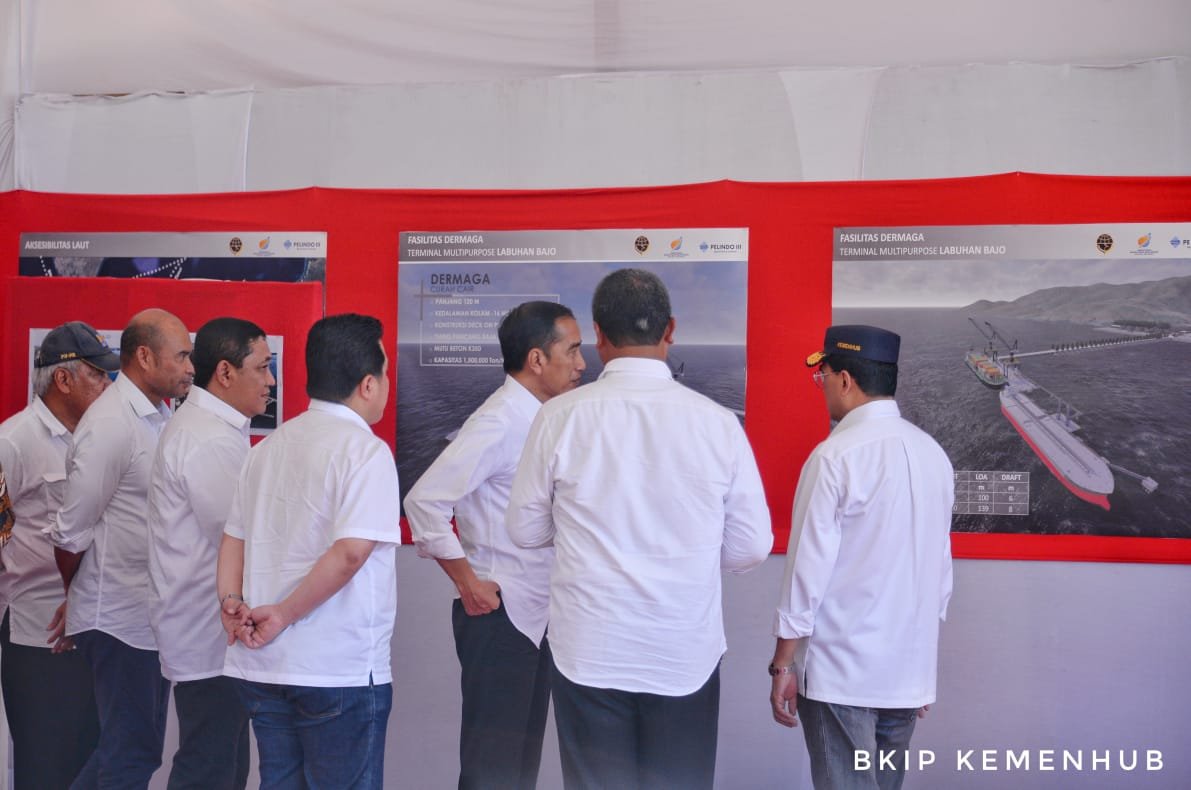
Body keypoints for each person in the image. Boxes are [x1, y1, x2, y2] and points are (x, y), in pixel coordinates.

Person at [507, 268, 773, 790]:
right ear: (670, 329)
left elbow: (524, 530)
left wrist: (579, 535)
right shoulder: (717, 422)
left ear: (598, 335)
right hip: (682, 653)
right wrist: (692, 553)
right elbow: (751, 546)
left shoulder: (559, 417)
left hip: (589, 651)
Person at [404, 300, 585, 790]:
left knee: (518, 768)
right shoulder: (499, 421)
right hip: (500, 616)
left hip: (537, 615)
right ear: (537, 359)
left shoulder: (543, 419)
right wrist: (468, 582)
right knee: (492, 770)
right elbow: (424, 501)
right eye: (572, 350)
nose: (581, 363)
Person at [217, 313, 400, 789]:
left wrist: (230, 603)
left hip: (263, 665)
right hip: (335, 668)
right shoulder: (365, 451)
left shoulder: (267, 448)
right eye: (385, 372)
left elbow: (233, 536)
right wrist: (284, 614)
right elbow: (351, 553)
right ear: (367, 384)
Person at [769, 325, 954, 790]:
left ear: (846, 380)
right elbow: (939, 573)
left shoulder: (835, 456)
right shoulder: (934, 455)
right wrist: (919, 673)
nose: (822, 386)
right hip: (906, 675)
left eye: (823, 376)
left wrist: (783, 665)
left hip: (842, 675)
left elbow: (806, 574)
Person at [50, 308, 194, 789]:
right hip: (116, 618)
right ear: (145, 357)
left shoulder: (159, 415)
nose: (190, 368)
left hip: (147, 615)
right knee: (130, 756)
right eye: (181, 356)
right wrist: (78, 596)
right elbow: (70, 533)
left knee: (133, 752)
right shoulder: (111, 423)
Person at [147, 318, 275, 790]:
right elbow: (238, 538)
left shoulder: (213, 429)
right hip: (208, 634)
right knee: (210, 768)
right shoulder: (208, 438)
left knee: (225, 766)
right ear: (224, 372)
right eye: (262, 367)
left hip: (213, 631)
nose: (271, 381)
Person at [0, 321, 115, 789]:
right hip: (39, 637)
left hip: (95, 630)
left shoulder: (99, 438)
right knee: (46, 770)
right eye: (98, 374)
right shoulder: (13, 442)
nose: (108, 385)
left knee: (94, 767)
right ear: (63, 379)